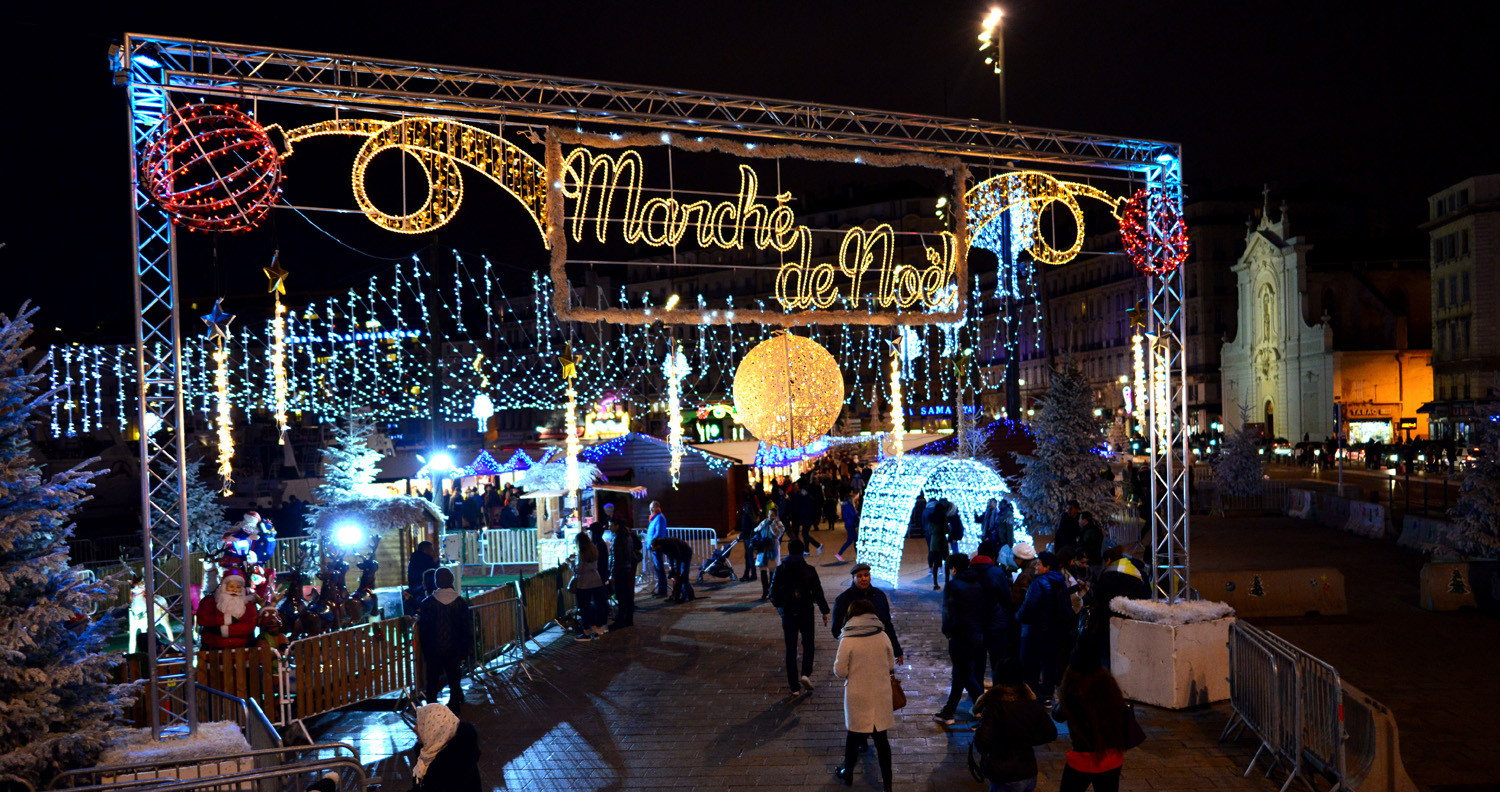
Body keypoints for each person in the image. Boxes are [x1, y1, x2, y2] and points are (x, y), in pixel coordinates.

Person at [1051, 637, 1145, 792]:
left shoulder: (1072, 691)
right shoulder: (1109, 685)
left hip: (1083, 759)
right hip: (1111, 758)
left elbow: (1057, 716)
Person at [832, 599, 896, 792]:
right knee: (882, 741)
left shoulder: (848, 638)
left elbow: (840, 671)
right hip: (880, 694)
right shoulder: (882, 635)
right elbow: (890, 664)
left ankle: (848, 773)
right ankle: (888, 786)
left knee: (853, 736)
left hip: (858, 695)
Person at [971, 660, 1057, 792]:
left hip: (1005, 776)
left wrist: (999, 747)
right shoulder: (1031, 702)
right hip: (1029, 773)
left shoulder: (994, 705)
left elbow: (981, 740)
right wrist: (1026, 741)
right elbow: (1050, 732)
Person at [770, 539, 830, 695]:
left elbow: (773, 594)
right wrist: (824, 611)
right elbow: (818, 592)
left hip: (788, 613)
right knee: (808, 643)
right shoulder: (809, 570)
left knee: (791, 648)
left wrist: (782, 607)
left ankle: (794, 687)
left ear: (789, 551)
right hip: (806, 611)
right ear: (802, 551)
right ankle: (805, 673)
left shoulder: (780, 570)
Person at [934, 553, 986, 726]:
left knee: (965, 676)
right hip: (976, 635)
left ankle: (987, 710)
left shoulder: (953, 585)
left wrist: (948, 632)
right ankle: (948, 711)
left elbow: (948, 612)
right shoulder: (977, 583)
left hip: (959, 637)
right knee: (959, 674)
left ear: (954, 568)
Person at [1016, 551, 1072, 703]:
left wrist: (1018, 617)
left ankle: (1031, 695)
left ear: (1047, 567)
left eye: (1039, 564)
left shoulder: (1039, 583)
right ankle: (1047, 696)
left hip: (1037, 630)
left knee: (1031, 663)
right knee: (1049, 664)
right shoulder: (1061, 582)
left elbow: (1029, 606)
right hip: (1054, 631)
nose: (1037, 567)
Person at [418, 568, 473, 713]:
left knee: (432, 679)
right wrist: (466, 648)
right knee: (454, 678)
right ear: (451, 580)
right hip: (454, 648)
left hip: (433, 648)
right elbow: (466, 627)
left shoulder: (427, 603)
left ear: (437, 581)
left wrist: (425, 648)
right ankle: (454, 707)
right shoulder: (460, 602)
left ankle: (431, 708)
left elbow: (424, 629)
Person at [830, 564, 904, 665]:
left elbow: (887, 624)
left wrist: (897, 650)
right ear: (853, 578)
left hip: (879, 650)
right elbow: (836, 630)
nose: (864, 579)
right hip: (857, 654)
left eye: (866, 575)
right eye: (859, 576)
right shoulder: (843, 600)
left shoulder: (879, 596)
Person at [971, 541, 1016, 686]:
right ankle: (998, 692)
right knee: (997, 662)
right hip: (995, 625)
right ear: (994, 556)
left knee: (977, 664)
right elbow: (1006, 598)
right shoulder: (997, 573)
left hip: (975, 626)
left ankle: (977, 695)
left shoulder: (968, 572)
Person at [411, 702, 482, 792]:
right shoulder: (429, 754)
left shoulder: (455, 767)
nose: (415, 728)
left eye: (422, 724)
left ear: (436, 730)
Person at [196, 565, 257, 649]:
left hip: (240, 649)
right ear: (224, 587)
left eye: (238, 587)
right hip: (213, 648)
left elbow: (248, 626)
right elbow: (203, 619)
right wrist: (228, 619)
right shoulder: (209, 601)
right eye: (231, 586)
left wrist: (221, 629)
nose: (234, 590)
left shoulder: (249, 605)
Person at [571, 532, 608, 640]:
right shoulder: (594, 550)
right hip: (596, 580)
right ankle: (595, 630)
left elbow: (579, 570)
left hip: (584, 583)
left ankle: (586, 632)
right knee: (593, 606)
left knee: (584, 607)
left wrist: (571, 564)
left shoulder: (581, 553)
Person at [608, 526, 642, 630]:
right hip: (628, 567)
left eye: (611, 525)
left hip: (622, 569)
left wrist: (613, 574)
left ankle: (622, 619)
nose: (610, 527)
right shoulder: (628, 536)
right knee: (627, 594)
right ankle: (628, 619)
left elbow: (616, 557)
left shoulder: (620, 538)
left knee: (622, 595)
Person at [754, 505, 786, 601]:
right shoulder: (764, 522)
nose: (769, 516)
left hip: (772, 550)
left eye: (772, 515)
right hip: (763, 550)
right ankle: (765, 591)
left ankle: (772, 592)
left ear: (775, 516)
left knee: (772, 572)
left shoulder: (779, 524)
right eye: (769, 514)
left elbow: (776, 534)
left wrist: (772, 524)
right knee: (763, 571)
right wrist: (760, 527)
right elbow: (756, 530)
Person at [649, 536, 696, 602]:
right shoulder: (662, 547)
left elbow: (677, 558)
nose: (655, 549)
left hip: (685, 554)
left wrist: (677, 571)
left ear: (658, 545)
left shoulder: (670, 544)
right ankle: (686, 595)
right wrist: (671, 568)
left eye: (655, 547)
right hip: (679, 555)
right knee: (678, 577)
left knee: (683, 575)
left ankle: (685, 597)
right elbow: (669, 557)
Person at [405, 540, 440, 616]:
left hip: (414, 588)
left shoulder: (414, 559)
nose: (433, 552)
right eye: (431, 549)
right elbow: (433, 573)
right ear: (425, 550)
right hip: (422, 589)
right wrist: (436, 562)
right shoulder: (426, 559)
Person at [924, 497, 950, 590]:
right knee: (946, 562)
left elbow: (930, 530)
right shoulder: (944, 518)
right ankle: (947, 582)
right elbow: (947, 530)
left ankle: (935, 583)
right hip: (942, 541)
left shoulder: (931, 518)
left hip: (934, 541)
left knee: (935, 563)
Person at [645, 501, 668, 596]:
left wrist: (653, 543)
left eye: (652, 507)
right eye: (650, 507)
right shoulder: (655, 517)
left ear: (657, 507)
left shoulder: (659, 518)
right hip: (654, 546)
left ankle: (662, 591)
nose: (650, 509)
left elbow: (658, 533)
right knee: (658, 569)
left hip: (656, 547)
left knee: (660, 568)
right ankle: (661, 590)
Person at [737, 499, 761, 582]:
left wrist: (740, 537)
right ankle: (747, 574)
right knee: (748, 557)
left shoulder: (745, 516)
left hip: (747, 539)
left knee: (749, 557)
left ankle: (753, 574)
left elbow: (745, 529)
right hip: (751, 538)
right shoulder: (753, 517)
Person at [836, 493, 859, 562]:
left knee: (855, 540)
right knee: (850, 540)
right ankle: (839, 554)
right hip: (851, 524)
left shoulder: (844, 506)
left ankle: (858, 555)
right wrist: (858, 514)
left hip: (848, 524)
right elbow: (853, 515)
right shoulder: (849, 506)